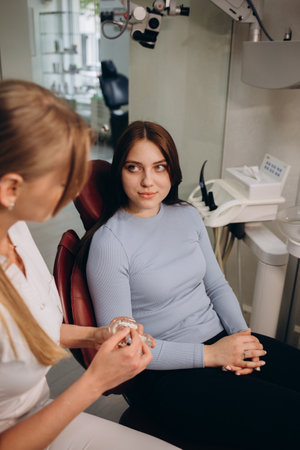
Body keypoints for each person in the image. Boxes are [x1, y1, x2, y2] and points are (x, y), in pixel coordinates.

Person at [83, 120, 300, 450]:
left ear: (172, 170)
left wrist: (243, 338)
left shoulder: (185, 215)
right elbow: (126, 347)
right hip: (163, 372)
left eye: (159, 167)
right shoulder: (110, 242)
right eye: (133, 168)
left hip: (221, 341)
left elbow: (215, 284)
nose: (147, 181)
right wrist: (212, 354)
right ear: (119, 172)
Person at [0, 81, 178, 450]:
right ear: (11, 189)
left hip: (42, 412)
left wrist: (95, 335)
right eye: (63, 179)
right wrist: (95, 383)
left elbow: (32, 328)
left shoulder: (14, 228)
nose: (74, 189)